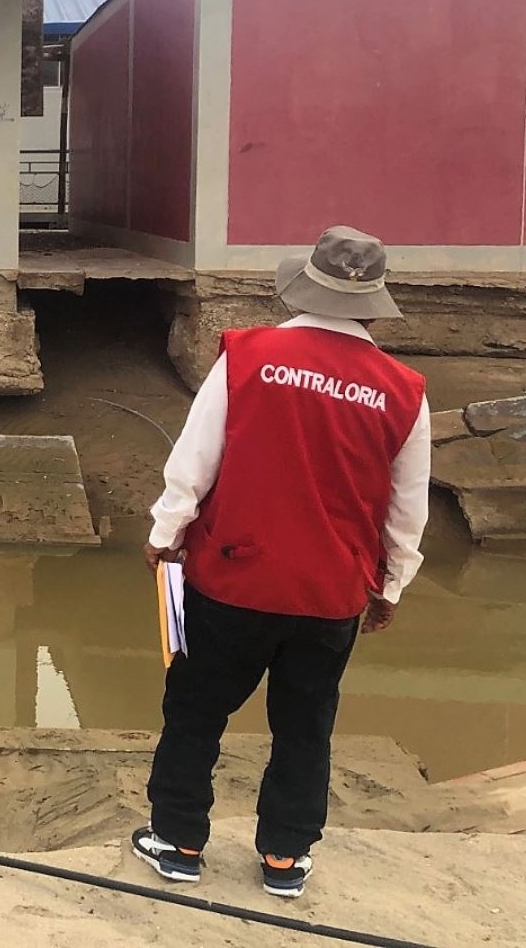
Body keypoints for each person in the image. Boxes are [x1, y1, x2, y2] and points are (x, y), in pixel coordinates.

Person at [129, 226, 431, 900]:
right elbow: (406, 510)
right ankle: (285, 859)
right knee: (306, 723)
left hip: (233, 579)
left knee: (196, 709)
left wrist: (165, 531)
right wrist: (390, 587)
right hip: (331, 594)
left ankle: (177, 842)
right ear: (371, 301)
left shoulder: (250, 356)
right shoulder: (405, 390)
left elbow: (195, 460)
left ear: (303, 284)